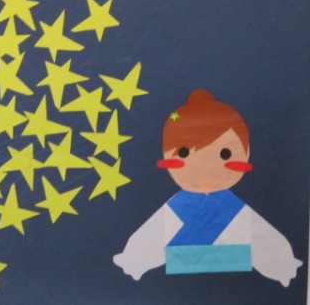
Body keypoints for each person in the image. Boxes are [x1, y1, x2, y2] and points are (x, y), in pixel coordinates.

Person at [113, 90, 302, 286]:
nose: (206, 167)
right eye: (184, 153)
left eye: (225, 154)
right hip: (183, 274)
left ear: (246, 154)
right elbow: (154, 233)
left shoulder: (230, 207)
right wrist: (134, 259)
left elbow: (260, 234)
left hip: (233, 277)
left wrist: (282, 264)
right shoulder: (179, 207)